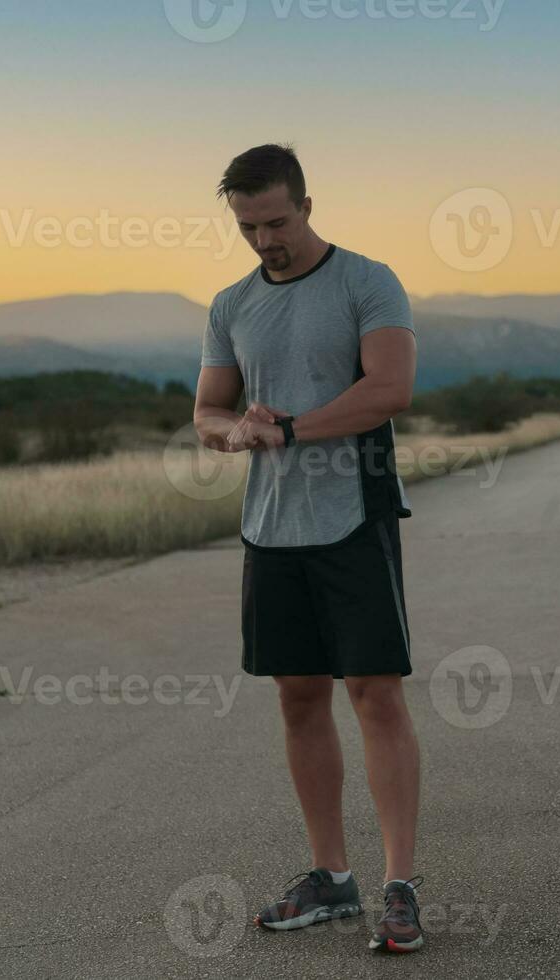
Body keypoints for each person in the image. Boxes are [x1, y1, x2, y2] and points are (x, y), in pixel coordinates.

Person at [192, 143, 426, 953]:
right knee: (298, 698)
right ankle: (332, 878)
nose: (265, 241)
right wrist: (238, 435)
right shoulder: (230, 305)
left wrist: (290, 427)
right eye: (248, 226)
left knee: (375, 694)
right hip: (271, 528)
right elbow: (208, 415)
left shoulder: (368, 281)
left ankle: (399, 886)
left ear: (308, 205)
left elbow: (388, 390)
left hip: (353, 518)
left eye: (277, 222)